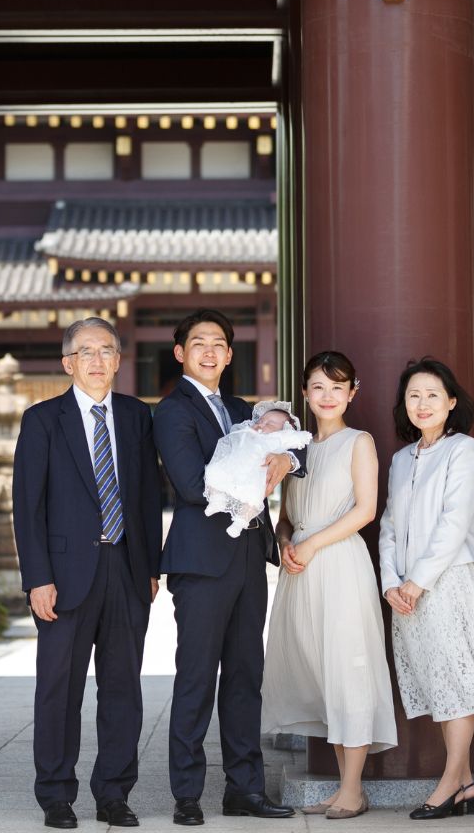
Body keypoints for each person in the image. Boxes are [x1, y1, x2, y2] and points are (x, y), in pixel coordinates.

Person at [12, 317, 164, 830]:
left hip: (125, 567)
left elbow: (147, 496)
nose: (97, 361)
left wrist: (149, 566)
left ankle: (114, 793)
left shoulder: (137, 417)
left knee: (123, 687)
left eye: (107, 351)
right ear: (68, 363)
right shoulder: (42, 420)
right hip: (63, 575)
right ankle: (56, 794)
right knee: (59, 689)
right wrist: (37, 577)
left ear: (119, 360)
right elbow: (26, 507)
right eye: (86, 352)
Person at [155, 309, 304, 825]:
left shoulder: (242, 408)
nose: (210, 351)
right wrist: (257, 469)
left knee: (245, 678)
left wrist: (286, 461)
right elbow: (194, 485)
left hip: (247, 558)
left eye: (219, 343)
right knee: (196, 678)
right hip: (200, 564)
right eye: (199, 343)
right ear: (181, 353)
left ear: (230, 354)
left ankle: (245, 789)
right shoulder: (172, 411)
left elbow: (292, 445)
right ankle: (187, 795)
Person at [262, 351, 397, 821]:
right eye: (318, 387)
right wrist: (284, 543)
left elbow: (365, 510)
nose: (327, 396)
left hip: (339, 562)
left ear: (351, 393)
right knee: (320, 671)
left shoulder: (359, 442)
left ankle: (353, 789)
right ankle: (345, 787)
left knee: (348, 669)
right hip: (300, 566)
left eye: (337, 388)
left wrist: (313, 543)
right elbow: (284, 515)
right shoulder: (294, 449)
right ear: (304, 392)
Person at [378, 357, 474, 821]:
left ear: (452, 402)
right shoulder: (399, 458)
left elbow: (456, 522)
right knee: (435, 679)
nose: (423, 403)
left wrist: (417, 582)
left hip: (445, 580)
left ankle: (451, 782)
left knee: (454, 678)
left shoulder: (463, 450)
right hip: (406, 589)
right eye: (414, 395)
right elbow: (390, 523)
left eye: (433, 394)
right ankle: (467, 785)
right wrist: (392, 582)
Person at [204, 401, 312, 537]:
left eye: (270, 424)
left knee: (253, 497)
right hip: (234, 468)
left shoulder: (280, 438)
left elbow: (300, 441)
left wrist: (288, 456)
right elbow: (235, 438)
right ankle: (216, 500)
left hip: (255, 475)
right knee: (214, 471)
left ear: (284, 429)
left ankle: (239, 523)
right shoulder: (248, 432)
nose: (261, 425)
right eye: (260, 421)